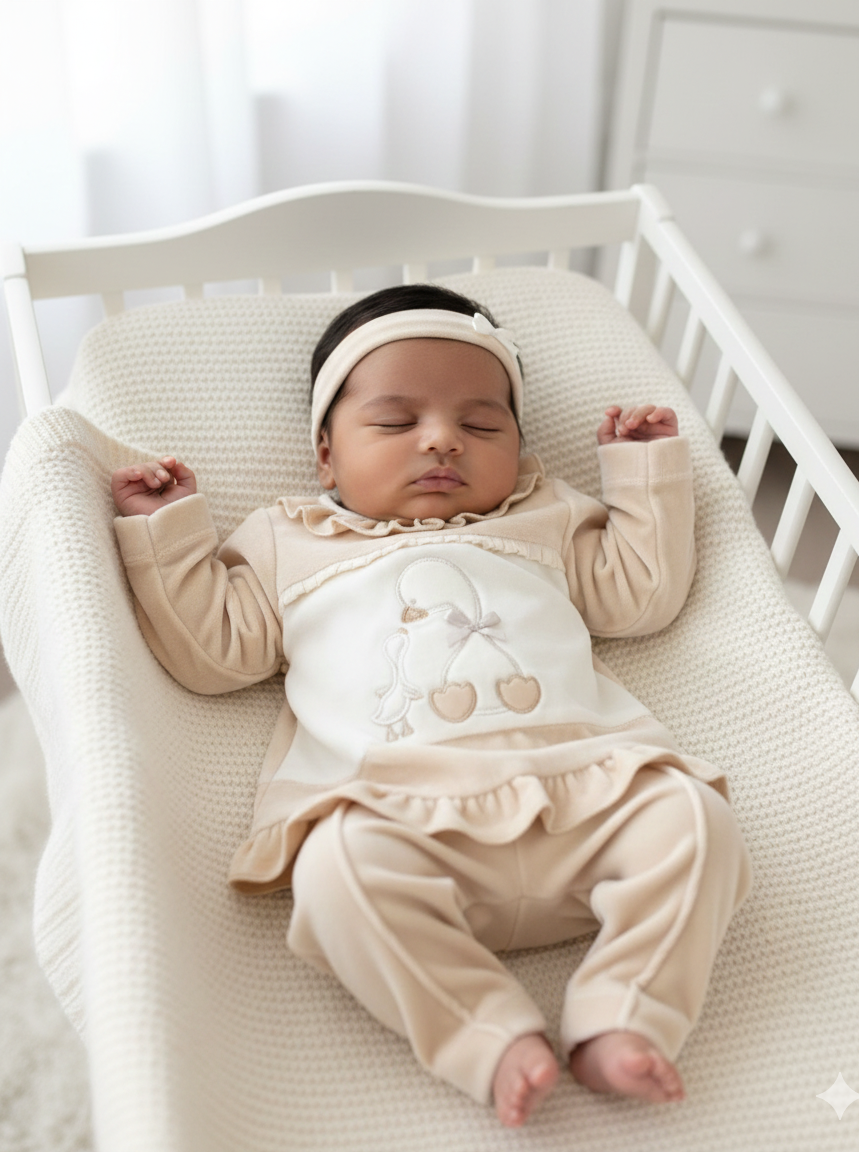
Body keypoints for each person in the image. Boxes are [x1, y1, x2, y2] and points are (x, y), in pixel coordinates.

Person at [111, 284, 751, 1128]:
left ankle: (624, 1013)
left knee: (696, 822)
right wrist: (166, 530)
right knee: (333, 873)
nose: (443, 439)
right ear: (327, 456)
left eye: (482, 425)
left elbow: (640, 596)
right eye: (394, 422)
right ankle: (488, 1036)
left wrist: (642, 477)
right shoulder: (287, 539)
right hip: (395, 813)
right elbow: (215, 655)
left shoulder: (545, 515)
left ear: (518, 448)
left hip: (587, 794)